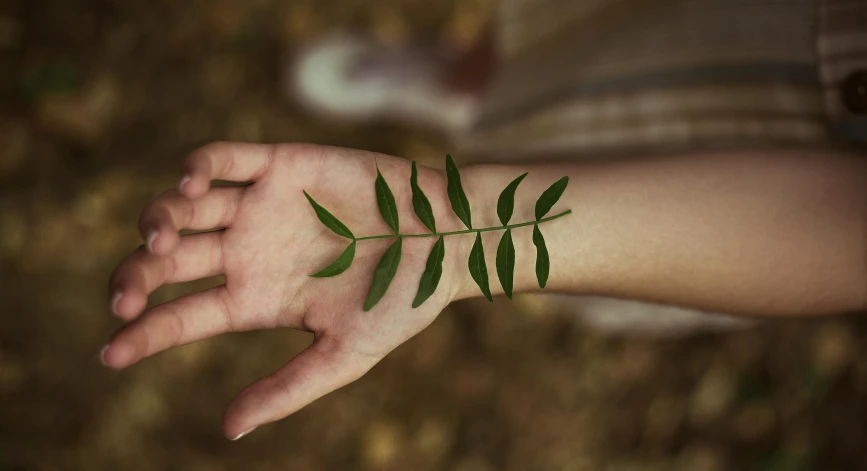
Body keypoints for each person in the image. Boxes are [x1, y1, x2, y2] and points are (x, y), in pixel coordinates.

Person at [103, 0, 867, 440]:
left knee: (575, 175)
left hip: (766, 190)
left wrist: (456, 242)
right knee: (585, 40)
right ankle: (460, 79)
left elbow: (844, 231)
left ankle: (468, 101)